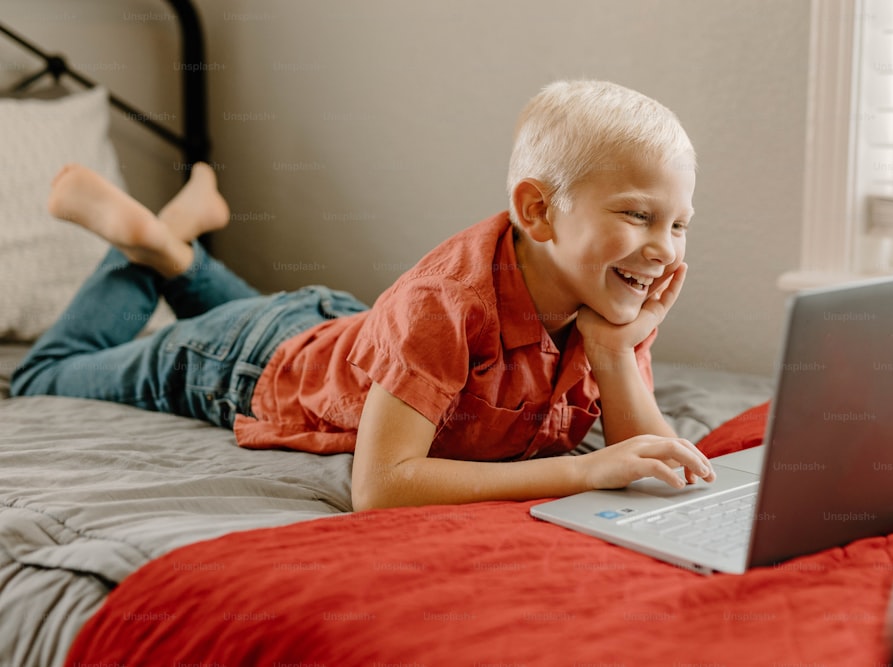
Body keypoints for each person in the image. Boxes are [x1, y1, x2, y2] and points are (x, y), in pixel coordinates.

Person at [12, 79, 715, 510]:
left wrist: (615, 354)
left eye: (679, 223)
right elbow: (381, 487)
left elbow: (647, 455)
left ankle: (174, 248)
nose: (665, 249)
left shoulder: (609, 293)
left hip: (334, 328)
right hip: (242, 364)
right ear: (536, 212)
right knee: (41, 376)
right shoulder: (452, 303)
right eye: (638, 214)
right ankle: (147, 242)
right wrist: (579, 471)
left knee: (278, 321)